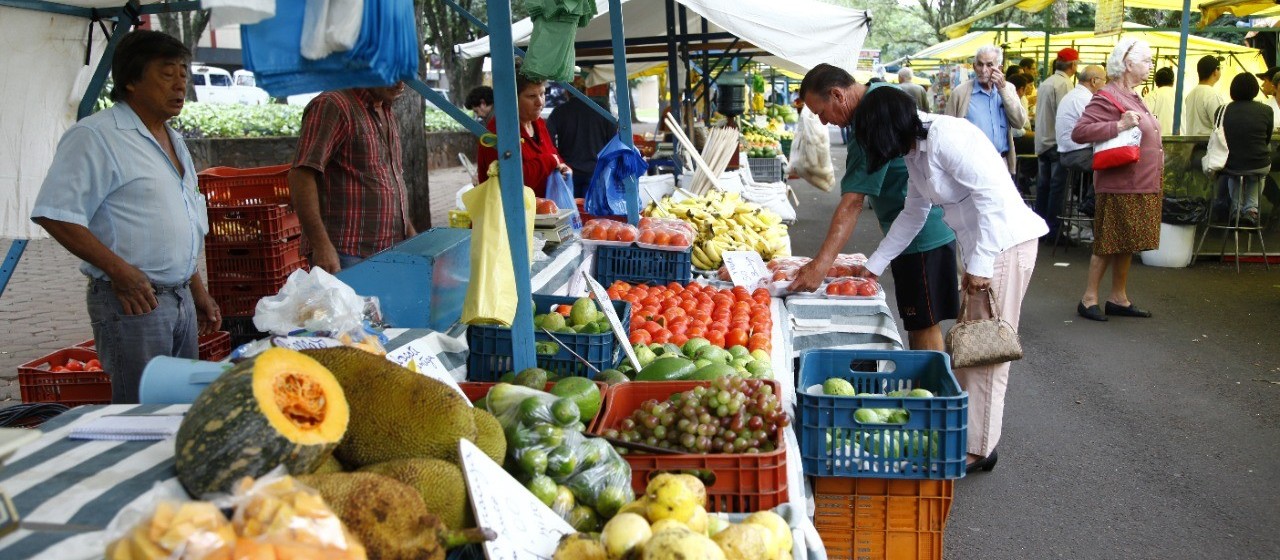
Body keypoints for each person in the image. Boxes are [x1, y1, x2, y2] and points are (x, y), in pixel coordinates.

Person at [853, 86, 1048, 473]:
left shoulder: (947, 137)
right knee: (970, 352)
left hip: (1004, 247)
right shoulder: (916, 150)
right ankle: (967, 436)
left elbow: (991, 199)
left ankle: (979, 448)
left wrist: (979, 265)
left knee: (986, 355)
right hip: (983, 250)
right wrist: (875, 264)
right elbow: (913, 212)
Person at [30, 30, 220, 404]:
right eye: (167, 73)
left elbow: (183, 219)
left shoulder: (173, 139)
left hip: (179, 299)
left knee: (180, 408)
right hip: (135, 303)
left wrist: (196, 288)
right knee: (141, 414)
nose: (180, 83)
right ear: (131, 80)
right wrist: (120, 271)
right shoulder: (96, 136)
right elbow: (54, 214)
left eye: (184, 72)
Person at [792, 64, 959, 352]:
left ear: (837, 95)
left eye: (821, 113)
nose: (822, 123)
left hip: (921, 236)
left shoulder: (869, 122)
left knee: (923, 324)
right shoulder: (882, 94)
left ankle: (931, 392)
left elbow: (853, 202)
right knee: (920, 321)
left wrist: (820, 265)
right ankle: (927, 389)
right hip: (915, 228)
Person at [1071, 38, 1163, 322]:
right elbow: (1080, 132)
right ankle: (1089, 299)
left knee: (1126, 241)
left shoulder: (1133, 95)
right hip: (1121, 183)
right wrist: (1118, 125)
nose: (1150, 65)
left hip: (1140, 181)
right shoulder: (1107, 95)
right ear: (1127, 63)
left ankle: (1118, 297)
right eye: (1146, 60)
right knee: (1108, 241)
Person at [289, 83, 415, 273]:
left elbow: (391, 177)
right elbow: (301, 175)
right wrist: (322, 246)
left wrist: (408, 229)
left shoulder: (385, 109)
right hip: (345, 253)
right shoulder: (333, 105)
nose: (400, 83)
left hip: (387, 250)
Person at [476, 63, 571, 198]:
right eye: (531, 96)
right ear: (512, 99)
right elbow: (511, 180)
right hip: (510, 215)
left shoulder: (538, 123)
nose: (540, 102)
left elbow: (553, 154)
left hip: (542, 211)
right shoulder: (498, 131)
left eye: (542, 94)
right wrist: (549, 161)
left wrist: (563, 167)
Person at [942, 45, 1029, 176]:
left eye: (989, 65)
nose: (983, 70)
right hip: (971, 165)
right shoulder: (961, 93)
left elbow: (1019, 122)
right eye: (980, 64)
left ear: (999, 68)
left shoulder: (1008, 89)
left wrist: (1003, 90)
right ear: (973, 66)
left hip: (1001, 162)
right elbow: (947, 132)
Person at [1034, 48, 1080, 241]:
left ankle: (1040, 229)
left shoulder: (1046, 82)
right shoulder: (1064, 84)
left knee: (1043, 187)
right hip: (1055, 142)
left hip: (1043, 141)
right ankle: (1054, 231)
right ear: (1073, 65)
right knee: (1057, 188)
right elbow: (1066, 115)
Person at [547, 76, 618, 197]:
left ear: (567, 92)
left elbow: (548, 139)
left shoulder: (560, 112)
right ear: (586, 90)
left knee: (573, 212)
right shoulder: (601, 109)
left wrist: (558, 159)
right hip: (596, 171)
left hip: (569, 172)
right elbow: (613, 139)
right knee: (592, 213)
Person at [1219, 73, 1274, 226]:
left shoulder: (1222, 110)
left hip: (1230, 164)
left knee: (1234, 174)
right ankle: (1251, 210)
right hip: (1259, 164)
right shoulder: (1266, 110)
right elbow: (1266, 139)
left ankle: (1236, 209)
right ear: (1255, 89)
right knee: (1257, 173)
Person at [1057, 65, 1108, 174]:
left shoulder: (1073, 95)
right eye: (1105, 81)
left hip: (1068, 152)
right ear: (1094, 81)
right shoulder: (1085, 98)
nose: (1105, 85)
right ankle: (1095, 192)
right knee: (1116, 165)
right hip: (1078, 154)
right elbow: (1097, 129)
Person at [1183, 55, 1225, 135]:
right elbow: (1220, 126)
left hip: (1191, 144)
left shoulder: (1191, 94)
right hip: (1206, 144)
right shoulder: (1212, 95)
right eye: (1220, 68)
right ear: (1215, 71)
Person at [1143, 67, 1176, 133]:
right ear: (1173, 81)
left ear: (1156, 81)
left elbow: (1143, 118)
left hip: (1160, 138)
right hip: (1182, 138)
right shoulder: (1181, 95)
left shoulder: (1152, 95)